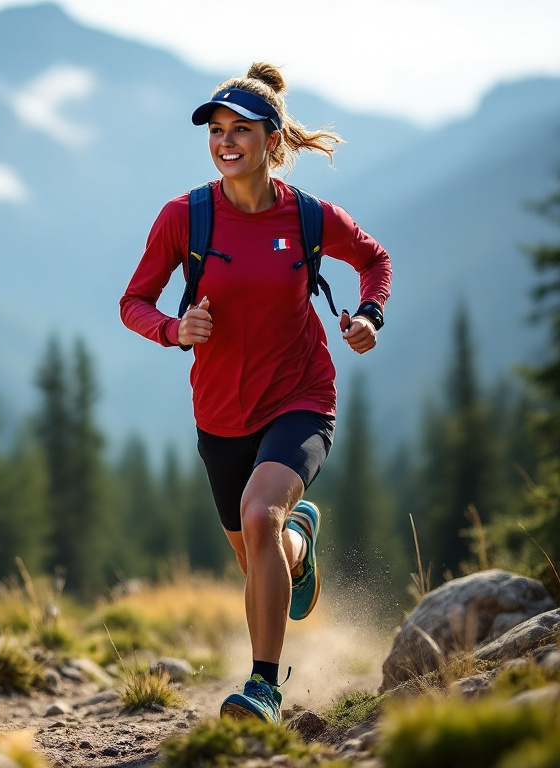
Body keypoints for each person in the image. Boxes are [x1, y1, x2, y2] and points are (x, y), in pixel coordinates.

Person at [118, 62, 392, 724]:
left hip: (302, 399)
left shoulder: (309, 218)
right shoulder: (186, 218)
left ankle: (263, 688)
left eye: (240, 130)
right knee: (259, 549)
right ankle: (300, 542)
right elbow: (133, 302)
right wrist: (174, 329)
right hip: (220, 416)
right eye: (216, 130)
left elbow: (376, 261)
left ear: (274, 142)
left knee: (259, 515)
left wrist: (367, 316)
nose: (225, 142)